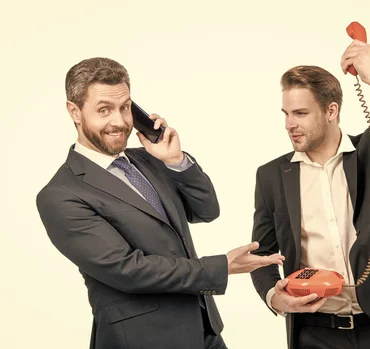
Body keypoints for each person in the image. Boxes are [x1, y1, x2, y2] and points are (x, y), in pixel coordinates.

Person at [36, 57, 284, 349]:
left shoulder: (148, 159)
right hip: (143, 339)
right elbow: (127, 270)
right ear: (74, 111)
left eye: (125, 107)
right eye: (104, 110)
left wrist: (176, 161)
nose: (119, 122)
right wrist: (221, 267)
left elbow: (206, 210)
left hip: (205, 331)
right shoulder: (61, 194)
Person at [249, 40, 370, 349]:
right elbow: (263, 254)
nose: (290, 124)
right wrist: (274, 297)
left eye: (300, 113)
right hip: (314, 332)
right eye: (286, 113)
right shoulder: (272, 174)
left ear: (331, 111)